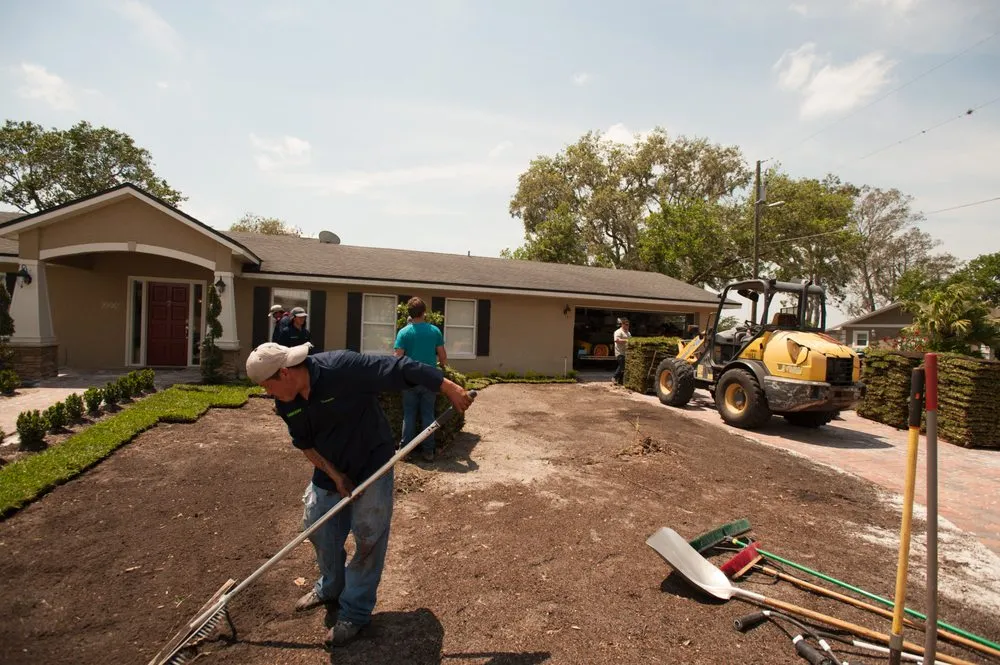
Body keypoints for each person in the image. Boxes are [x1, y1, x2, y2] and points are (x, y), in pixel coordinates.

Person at [246, 341, 474, 647]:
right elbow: (306, 446)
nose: (267, 394)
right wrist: (336, 477)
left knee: (368, 536)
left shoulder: (341, 368)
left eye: (266, 386)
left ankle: (354, 612)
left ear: (284, 373)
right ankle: (330, 587)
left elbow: (399, 367)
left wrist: (446, 386)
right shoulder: (286, 402)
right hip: (331, 468)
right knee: (317, 525)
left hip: (372, 464)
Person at [393, 297, 447, 461]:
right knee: (428, 415)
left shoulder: (404, 332)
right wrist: (439, 365)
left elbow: (397, 358)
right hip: (429, 379)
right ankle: (428, 452)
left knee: (409, 415)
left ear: (409, 313)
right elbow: (443, 357)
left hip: (409, 379)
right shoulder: (434, 331)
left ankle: (405, 451)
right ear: (424, 312)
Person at [612, 317, 631, 385]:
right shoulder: (618, 332)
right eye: (626, 324)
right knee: (622, 366)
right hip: (619, 352)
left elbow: (631, 341)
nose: (627, 326)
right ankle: (614, 377)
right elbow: (616, 340)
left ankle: (620, 381)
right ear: (622, 324)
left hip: (627, 353)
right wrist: (626, 340)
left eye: (628, 324)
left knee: (624, 367)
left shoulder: (628, 333)